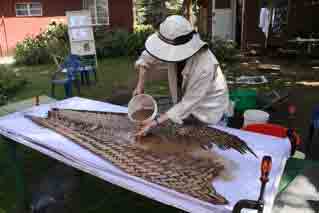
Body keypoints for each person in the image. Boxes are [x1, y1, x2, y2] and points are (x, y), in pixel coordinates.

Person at [133, 15, 229, 136]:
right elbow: (146, 57)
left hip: (209, 111)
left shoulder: (205, 66)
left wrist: (154, 123)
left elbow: (187, 103)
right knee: (183, 137)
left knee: (206, 148)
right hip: (186, 107)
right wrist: (140, 85)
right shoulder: (168, 44)